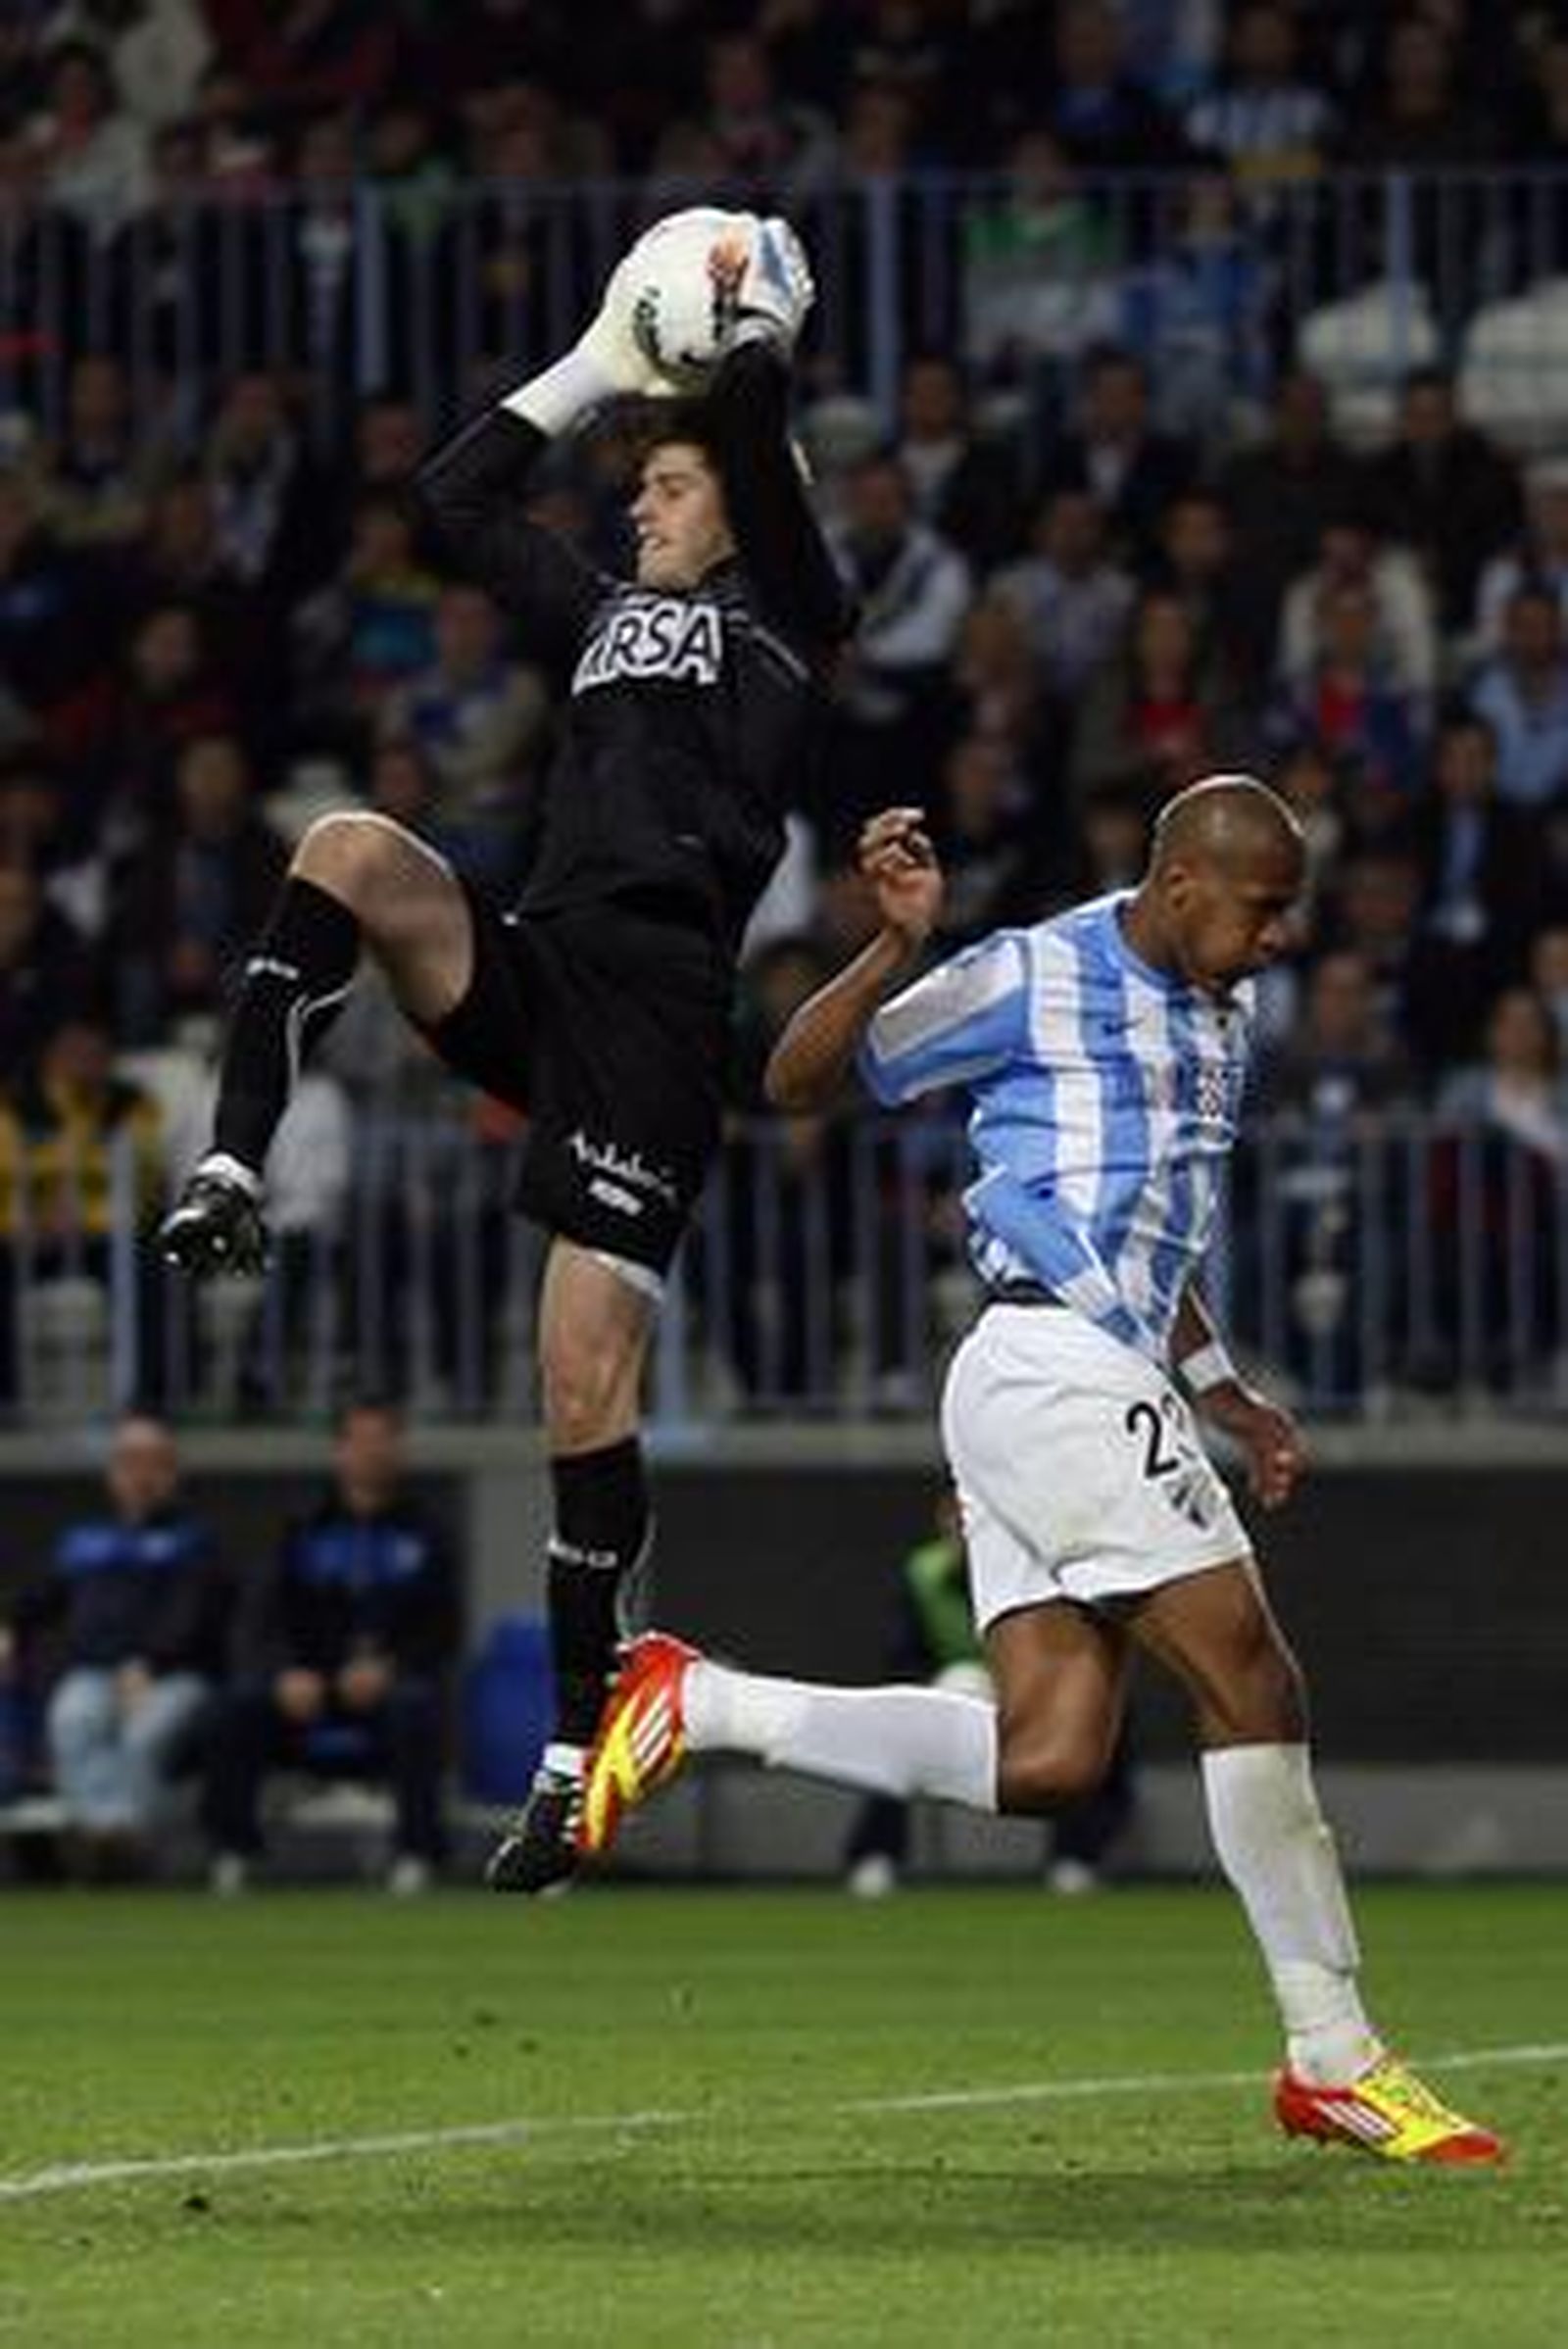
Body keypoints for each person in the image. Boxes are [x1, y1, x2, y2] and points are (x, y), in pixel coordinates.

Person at [575, 775, 1505, 2168]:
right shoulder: (1035, 973)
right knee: (1253, 1677)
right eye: (1261, 912)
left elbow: (1152, 1230)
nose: (1277, 943)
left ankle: (698, 1699)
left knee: (1052, 1757)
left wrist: (1222, 1391)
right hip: (1052, 1365)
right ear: (1183, 884)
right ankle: (1335, 2056)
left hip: (1079, 1371)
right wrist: (894, 947)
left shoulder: (1225, 1018)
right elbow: (796, 1081)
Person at [159, 211, 849, 1894]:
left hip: (657, 1021)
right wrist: (606, 361)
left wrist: (747, 339)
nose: (638, 498)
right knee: (348, 847)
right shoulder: (607, 608)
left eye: (663, 485)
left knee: (576, 1391)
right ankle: (234, 1161)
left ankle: (574, 1750)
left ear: (741, 510)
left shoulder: (789, 622)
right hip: (541, 964)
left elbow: (760, 459)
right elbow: (451, 504)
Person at [201, 1399, 458, 1893]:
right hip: (309, 1692)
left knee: (417, 1705)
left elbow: (443, 1629)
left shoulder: (427, 1532)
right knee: (234, 1709)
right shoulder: (301, 1527)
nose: (371, 1453)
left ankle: (416, 1854)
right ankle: (232, 1850)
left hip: (386, 1691)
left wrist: (391, 1667)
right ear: (340, 1451)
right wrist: (285, 1673)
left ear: (398, 1449)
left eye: (382, 1441)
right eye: (360, 1442)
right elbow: (261, 1619)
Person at [843, 1489, 1135, 1898]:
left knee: (1097, 1730)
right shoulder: (923, 1575)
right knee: (896, 1738)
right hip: (953, 1691)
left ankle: (1075, 1857)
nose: (964, 1533)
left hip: (1033, 1692)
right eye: (956, 1522)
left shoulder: (1040, 1571)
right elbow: (901, 1656)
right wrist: (933, 1686)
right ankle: (875, 1856)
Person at [0, 1412, 224, 1876]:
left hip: (174, 1677)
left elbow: (194, 1616)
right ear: (112, 1472)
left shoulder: (194, 1539)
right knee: (72, 1717)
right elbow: (40, 1600)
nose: (140, 1475)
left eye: (153, 1463)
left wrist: (151, 1664)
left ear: (172, 1472)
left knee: (145, 1732)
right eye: (130, 1462)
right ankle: (105, 1836)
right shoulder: (83, 1541)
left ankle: (126, 1839)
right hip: (96, 1673)